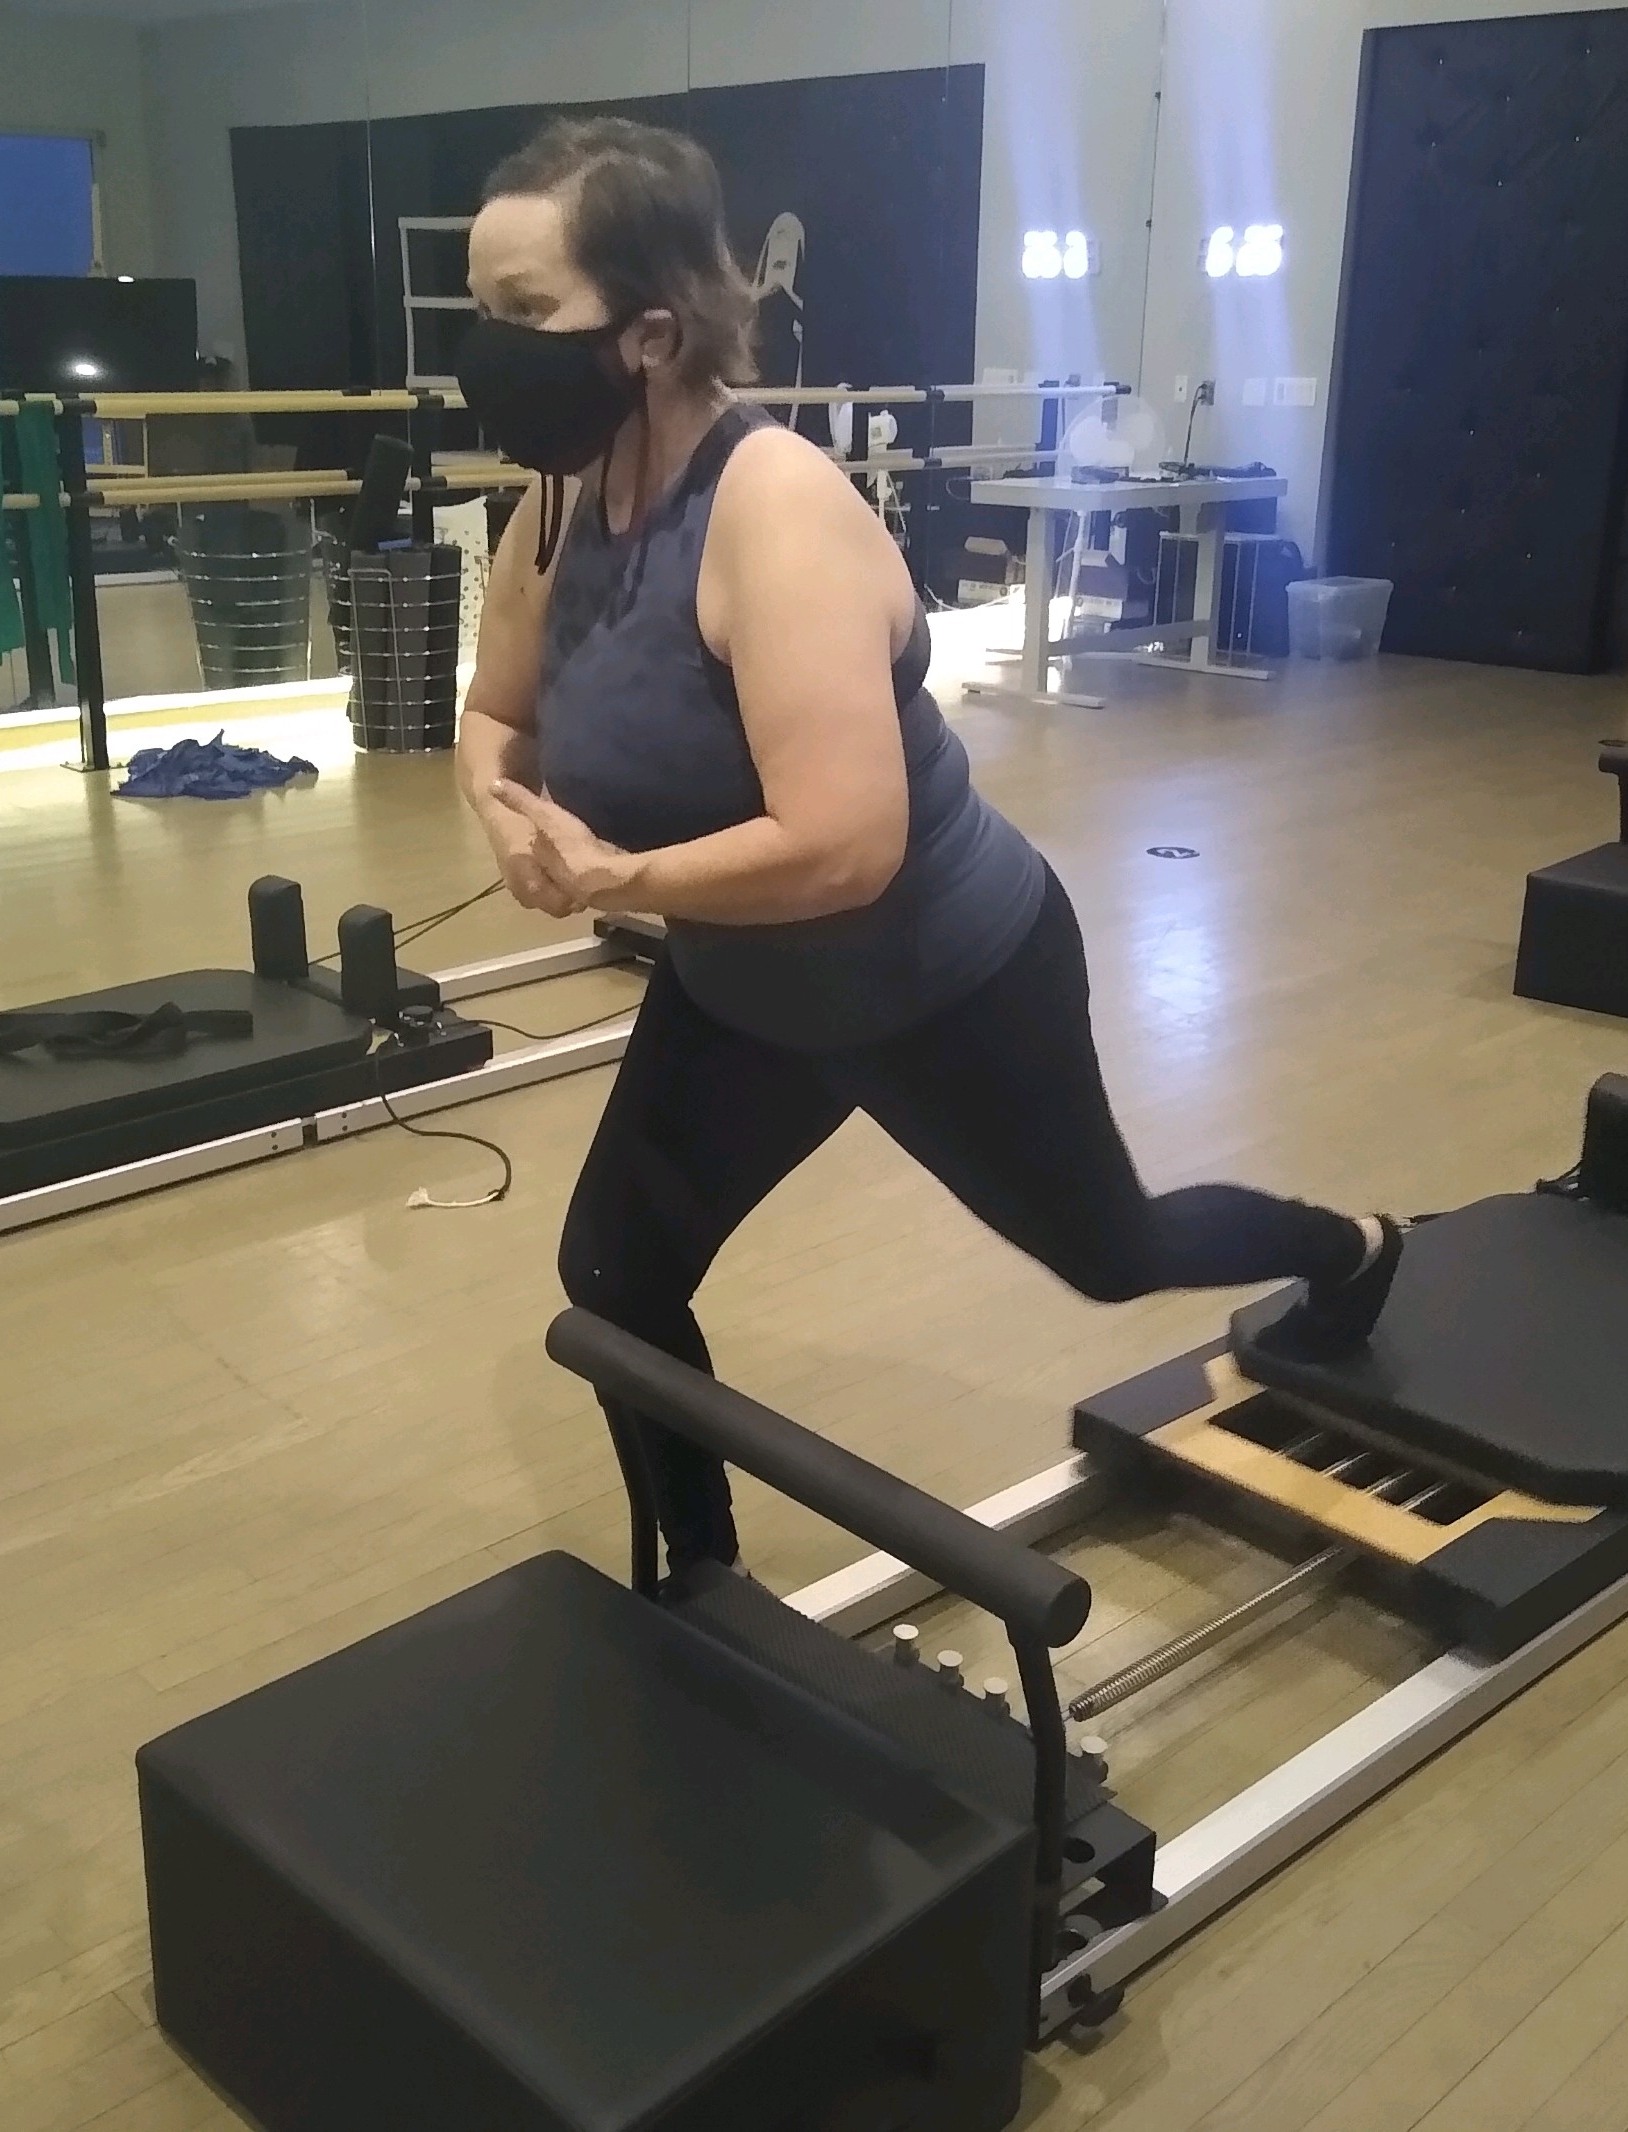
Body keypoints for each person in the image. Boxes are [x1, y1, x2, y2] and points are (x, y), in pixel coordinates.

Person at [452, 116, 1401, 1574]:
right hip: (747, 993)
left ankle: (1346, 1247)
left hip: (946, 979)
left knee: (1110, 1252)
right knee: (615, 1272)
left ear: (647, 333)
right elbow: (495, 714)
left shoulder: (777, 516)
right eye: (483, 307)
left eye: (524, 314)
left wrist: (619, 880)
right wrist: (508, 811)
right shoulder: (560, 502)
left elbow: (844, 848)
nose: (489, 344)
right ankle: (700, 1584)